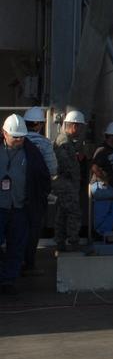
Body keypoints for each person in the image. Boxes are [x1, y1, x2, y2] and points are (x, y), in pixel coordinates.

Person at [0, 114, 51, 295]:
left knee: (17, 246)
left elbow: (44, 176)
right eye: (15, 136)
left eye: (22, 136)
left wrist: (39, 198)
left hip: (20, 208)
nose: (19, 140)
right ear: (4, 133)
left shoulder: (31, 153)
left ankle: (8, 281)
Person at [21, 107, 57, 275]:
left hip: (17, 192)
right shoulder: (44, 143)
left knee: (17, 227)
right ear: (39, 125)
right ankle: (29, 263)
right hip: (37, 193)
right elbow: (52, 168)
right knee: (34, 228)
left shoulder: (17, 140)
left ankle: (15, 261)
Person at [51, 109, 86, 252]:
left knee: (63, 213)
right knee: (73, 212)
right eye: (80, 127)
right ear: (74, 126)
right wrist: (75, 175)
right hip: (66, 184)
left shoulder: (68, 141)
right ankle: (73, 242)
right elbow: (65, 164)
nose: (80, 130)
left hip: (67, 184)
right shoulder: (64, 142)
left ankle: (60, 242)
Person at [89, 122, 113, 237]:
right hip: (102, 185)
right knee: (102, 213)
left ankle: (101, 233)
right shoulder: (102, 150)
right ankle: (98, 235)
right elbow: (94, 167)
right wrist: (105, 180)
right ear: (112, 136)